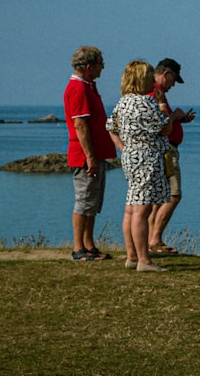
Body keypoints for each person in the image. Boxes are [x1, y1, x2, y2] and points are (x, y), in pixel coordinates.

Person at [106, 60, 173, 272]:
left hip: (131, 156)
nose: (152, 80)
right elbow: (165, 129)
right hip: (147, 157)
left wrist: (122, 147)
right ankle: (144, 260)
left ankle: (132, 256)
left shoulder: (123, 102)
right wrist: (164, 107)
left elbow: (110, 126)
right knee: (142, 210)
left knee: (131, 207)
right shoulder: (146, 103)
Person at [64, 46, 117, 262]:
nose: (102, 68)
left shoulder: (88, 86)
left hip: (95, 153)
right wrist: (89, 157)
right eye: (99, 64)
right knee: (84, 200)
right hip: (84, 155)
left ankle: (88, 245)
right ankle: (78, 248)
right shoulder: (79, 88)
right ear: (88, 67)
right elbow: (80, 125)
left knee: (92, 202)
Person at [147, 58, 196, 254]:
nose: (173, 85)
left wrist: (180, 120)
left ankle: (152, 239)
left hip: (166, 148)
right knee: (174, 195)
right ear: (166, 73)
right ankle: (155, 238)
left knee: (159, 197)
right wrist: (175, 116)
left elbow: (164, 122)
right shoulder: (155, 93)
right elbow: (161, 123)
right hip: (166, 149)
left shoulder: (158, 93)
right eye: (173, 79)